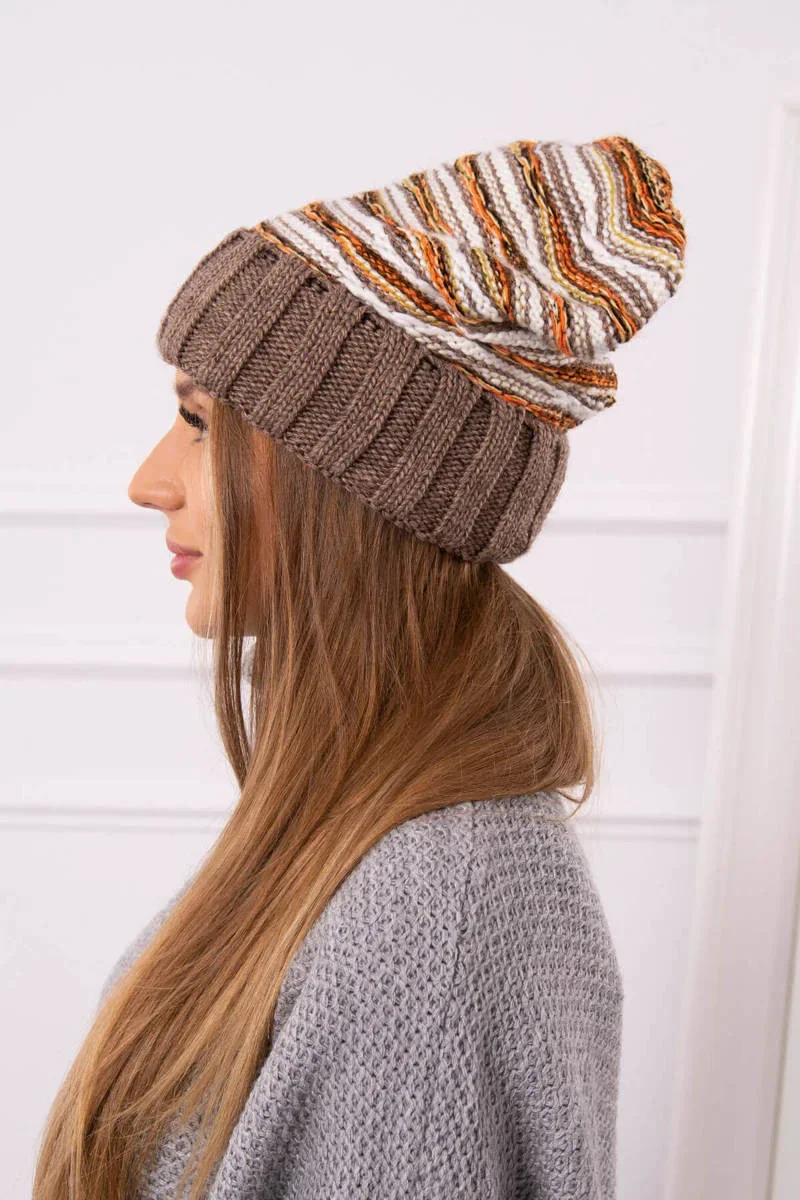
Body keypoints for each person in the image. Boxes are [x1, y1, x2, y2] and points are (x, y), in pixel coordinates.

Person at [33, 133, 686, 1200]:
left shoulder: (427, 922)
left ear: (347, 485)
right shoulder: (360, 840)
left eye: (198, 424)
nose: (148, 482)